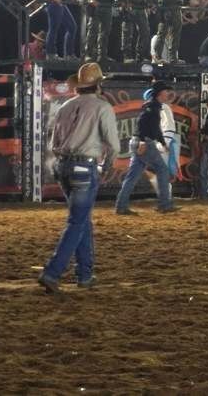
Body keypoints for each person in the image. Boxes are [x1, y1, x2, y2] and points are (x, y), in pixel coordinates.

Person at [37, 63, 119, 292]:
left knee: (82, 219)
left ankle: (85, 274)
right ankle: (52, 272)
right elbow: (113, 143)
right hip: (84, 166)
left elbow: (54, 143)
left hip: (63, 166)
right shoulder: (102, 107)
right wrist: (108, 165)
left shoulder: (65, 106)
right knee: (77, 221)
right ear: (98, 85)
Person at [114, 82, 178, 215]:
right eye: (166, 91)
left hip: (139, 142)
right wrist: (143, 141)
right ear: (160, 93)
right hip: (145, 143)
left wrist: (162, 143)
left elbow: (154, 128)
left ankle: (121, 206)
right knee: (162, 170)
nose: (168, 94)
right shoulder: (153, 107)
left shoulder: (152, 106)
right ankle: (164, 204)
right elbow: (143, 124)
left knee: (132, 176)